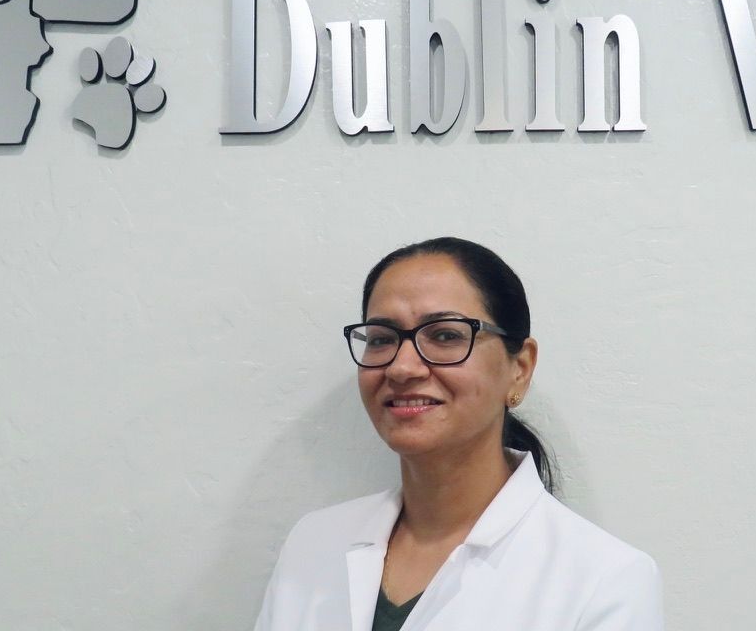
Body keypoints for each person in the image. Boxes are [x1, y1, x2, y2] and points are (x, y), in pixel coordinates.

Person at [254, 237, 663, 631]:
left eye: (446, 335)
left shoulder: (604, 580)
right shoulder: (314, 543)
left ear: (519, 367)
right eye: (381, 339)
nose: (402, 368)